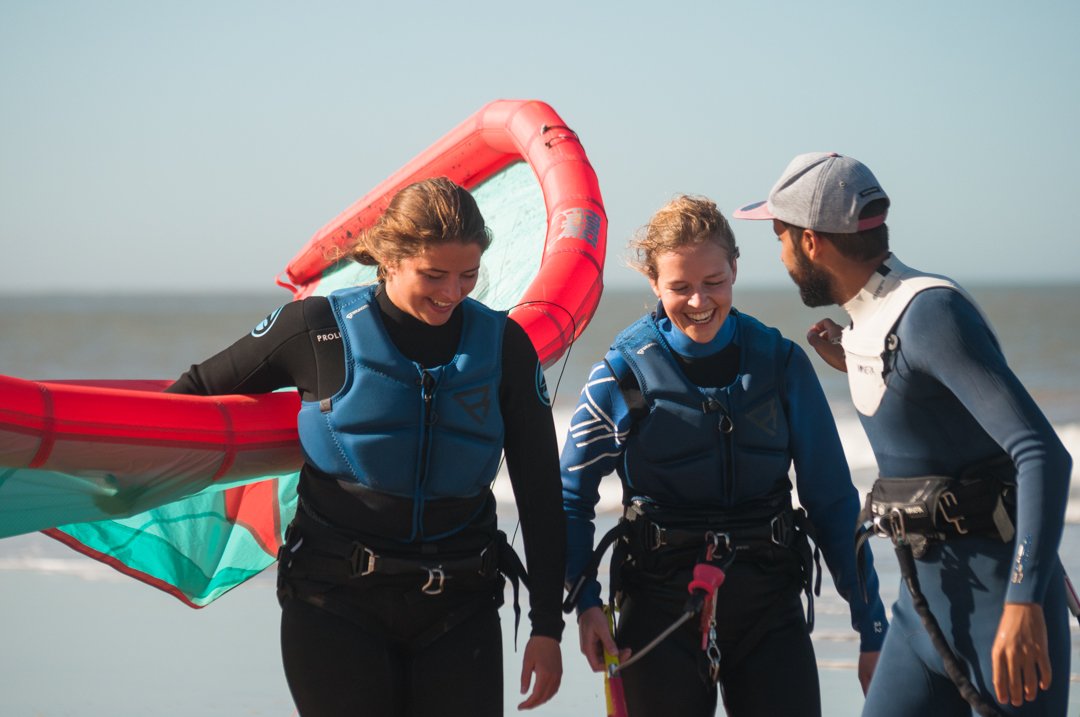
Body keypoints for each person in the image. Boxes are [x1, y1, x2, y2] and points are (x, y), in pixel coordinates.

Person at [167, 177, 564, 716]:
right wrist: (101, 473)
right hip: (333, 601)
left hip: (461, 604)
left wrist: (547, 626)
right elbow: (189, 397)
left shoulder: (505, 346)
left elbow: (540, 491)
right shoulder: (314, 330)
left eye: (468, 276)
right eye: (434, 275)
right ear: (390, 259)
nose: (452, 292)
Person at [734, 152, 1073, 716]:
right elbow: (927, 407)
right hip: (920, 617)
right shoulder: (875, 320)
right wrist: (854, 360)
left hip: (1003, 617)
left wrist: (1024, 600)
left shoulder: (930, 314)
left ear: (812, 242)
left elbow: (1042, 455)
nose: (782, 256)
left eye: (780, 237)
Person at [561, 195, 887, 717]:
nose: (699, 301)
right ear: (653, 283)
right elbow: (569, 498)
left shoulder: (781, 365)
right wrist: (585, 604)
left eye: (714, 282)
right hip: (658, 606)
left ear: (735, 268)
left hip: (769, 606)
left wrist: (871, 624)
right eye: (680, 287)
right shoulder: (620, 378)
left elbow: (832, 500)